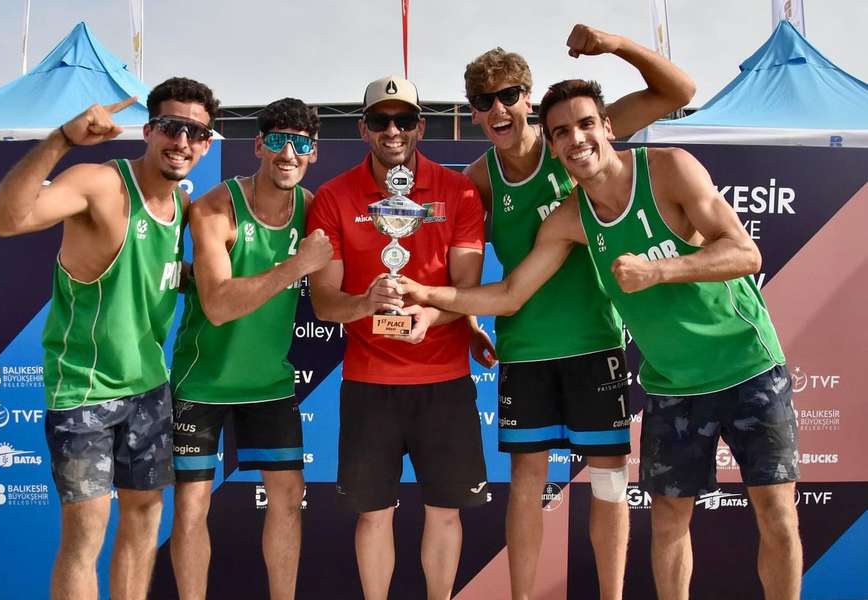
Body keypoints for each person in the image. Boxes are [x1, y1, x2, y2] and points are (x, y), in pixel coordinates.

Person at [402, 79, 802, 600]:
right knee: (667, 523)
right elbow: (509, 293)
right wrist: (427, 294)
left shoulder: (668, 167)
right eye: (562, 132)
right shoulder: (571, 218)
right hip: (671, 385)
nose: (577, 139)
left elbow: (746, 255)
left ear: (608, 126)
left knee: (776, 513)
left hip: (747, 367)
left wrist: (659, 271)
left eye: (587, 124)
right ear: (551, 143)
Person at [459, 24, 695, 599]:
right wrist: (465, 318)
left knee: (611, 483)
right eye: (484, 101)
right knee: (526, 484)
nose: (499, 109)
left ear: (529, 100)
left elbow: (678, 92)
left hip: (596, 342)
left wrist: (616, 45)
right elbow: (458, 260)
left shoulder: (577, 142)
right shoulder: (477, 181)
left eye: (509, 95)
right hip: (525, 348)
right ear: (473, 114)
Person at [0, 77, 218, 600]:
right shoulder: (101, 184)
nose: (183, 141)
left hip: (149, 389)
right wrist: (62, 138)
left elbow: (159, 275)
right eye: (173, 127)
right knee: (85, 536)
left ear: (206, 143)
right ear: (150, 130)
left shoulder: (181, 206)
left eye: (197, 132)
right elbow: (0, 220)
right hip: (85, 392)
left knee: (143, 523)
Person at [306, 75, 493, 600]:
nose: (394, 130)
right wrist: (366, 303)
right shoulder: (334, 196)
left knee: (446, 514)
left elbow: (468, 289)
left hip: (445, 377)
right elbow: (325, 300)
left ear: (420, 127)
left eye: (404, 120)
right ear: (363, 129)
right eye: (381, 120)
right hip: (370, 382)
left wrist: (429, 318)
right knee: (372, 518)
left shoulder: (458, 192)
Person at [169, 98, 331, 600]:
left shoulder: (312, 208)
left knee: (288, 498)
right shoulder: (216, 207)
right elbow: (216, 303)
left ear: (313, 153)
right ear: (258, 145)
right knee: (192, 507)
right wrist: (295, 267)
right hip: (203, 380)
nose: (289, 152)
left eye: (300, 143)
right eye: (278, 140)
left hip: (269, 382)